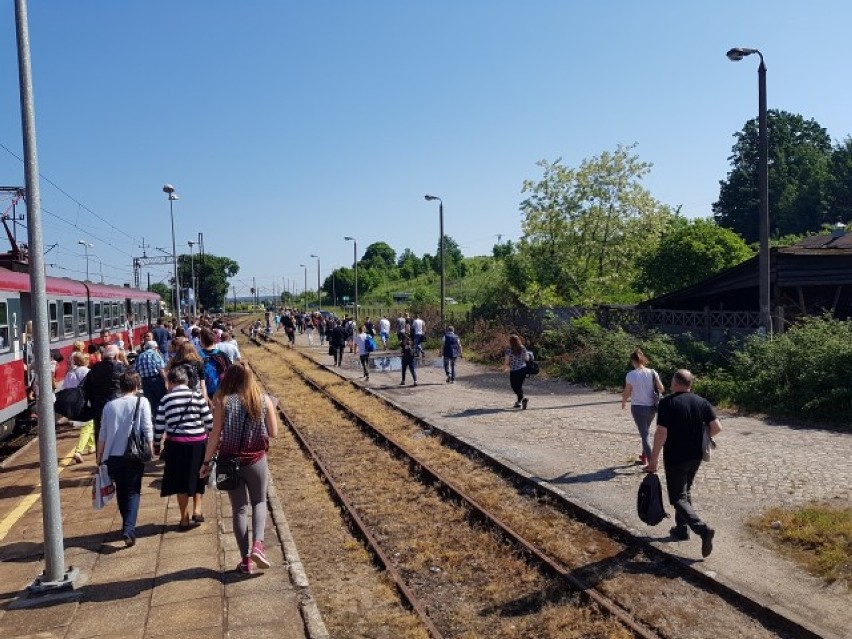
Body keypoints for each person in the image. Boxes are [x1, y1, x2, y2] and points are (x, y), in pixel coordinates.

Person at [200, 363, 279, 574]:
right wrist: (272, 408)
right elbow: (273, 432)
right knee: (259, 501)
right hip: (256, 461)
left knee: (239, 509)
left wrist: (206, 463)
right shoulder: (263, 401)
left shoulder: (223, 403)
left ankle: (245, 561)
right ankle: (258, 546)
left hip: (228, 463)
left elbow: (214, 437)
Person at [645, 369, 721, 558]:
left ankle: (703, 530)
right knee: (685, 492)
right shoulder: (702, 402)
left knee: (677, 498)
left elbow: (661, 433)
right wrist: (698, 437)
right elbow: (717, 428)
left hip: (675, 457)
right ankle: (681, 529)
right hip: (695, 455)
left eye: (672, 380)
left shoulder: (667, 403)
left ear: (676, 383)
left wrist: (653, 460)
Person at [95, 371, 154, 546]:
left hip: (112, 457)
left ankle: (126, 525)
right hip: (133, 454)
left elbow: (103, 433)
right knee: (133, 491)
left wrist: (99, 456)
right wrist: (151, 448)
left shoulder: (109, 406)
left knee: (122, 490)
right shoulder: (141, 402)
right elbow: (147, 426)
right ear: (136, 385)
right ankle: (128, 529)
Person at [154, 366, 213, 529]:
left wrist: (156, 445)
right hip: (198, 444)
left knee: (181, 481)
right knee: (199, 475)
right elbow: (209, 422)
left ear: (171, 382)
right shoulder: (197, 396)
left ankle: (184, 518)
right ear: (186, 381)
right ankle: (198, 510)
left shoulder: (166, 400)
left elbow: (159, 425)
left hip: (176, 445)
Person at [621, 349, 665, 467]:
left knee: (645, 435)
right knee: (645, 431)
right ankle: (644, 457)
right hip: (651, 407)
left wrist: (624, 403)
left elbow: (627, 392)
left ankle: (651, 462)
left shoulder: (631, 375)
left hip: (638, 408)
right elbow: (661, 389)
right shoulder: (652, 372)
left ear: (633, 361)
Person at [82, 344, 128, 443]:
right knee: (118, 435)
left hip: (99, 408)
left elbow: (85, 387)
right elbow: (133, 380)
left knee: (101, 435)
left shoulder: (94, 369)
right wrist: (124, 360)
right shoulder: (121, 367)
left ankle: (100, 456)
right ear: (116, 356)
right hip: (118, 406)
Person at [65, 351, 95, 463]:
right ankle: (78, 451)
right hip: (86, 402)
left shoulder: (69, 374)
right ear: (86, 361)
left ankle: (91, 446)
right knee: (87, 425)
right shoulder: (88, 372)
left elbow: (65, 388)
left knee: (90, 423)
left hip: (74, 403)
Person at [134, 340, 168, 419]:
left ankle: (155, 417)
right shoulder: (155, 354)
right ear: (155, 347)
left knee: (150, 401)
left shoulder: (140, 356)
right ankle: (161, 417)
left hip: (145, 382)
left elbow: (135, 370)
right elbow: (160, 369)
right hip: (156, 380)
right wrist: (166, 380)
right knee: (160, 399)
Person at [503, 334, 531, 409]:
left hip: (514, 371)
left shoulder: (509, 350)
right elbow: (527, 359)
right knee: (519, 386)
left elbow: (506, 361)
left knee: (515, 387)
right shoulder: (523, 348)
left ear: (510, 342)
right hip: (523, 369)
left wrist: (505, 368)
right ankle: (519, 403)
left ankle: (523, 398)